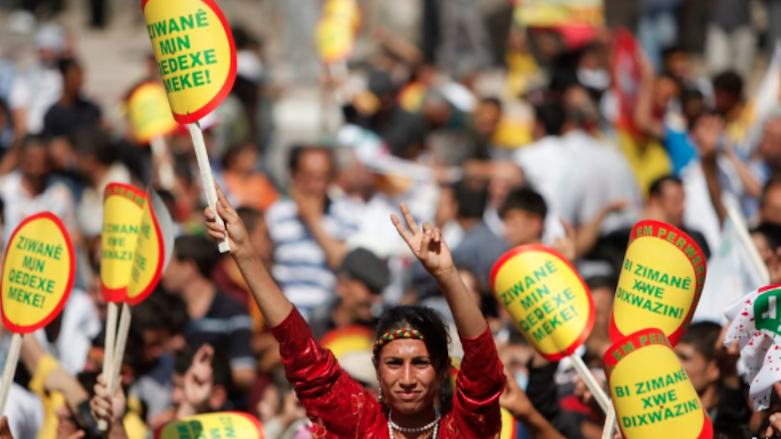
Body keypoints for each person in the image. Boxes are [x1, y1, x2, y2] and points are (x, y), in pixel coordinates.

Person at [204, 185, 509, 438]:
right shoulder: (360, 424)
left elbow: (483, 364)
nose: (406, 378)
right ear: (376, 369)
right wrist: (245, 254)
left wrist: (447, 275)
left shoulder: (463, 432)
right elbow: (300, 351)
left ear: (442, 370)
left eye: (420, 363)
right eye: (393, 363)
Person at [265, 146, 360, 319]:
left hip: (327, 318)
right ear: (293, 174)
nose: (315, 186)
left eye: (323, 178)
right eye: (308, 178)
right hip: (285, 317)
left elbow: (343, 262)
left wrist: (313, 220)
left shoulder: (346, 212)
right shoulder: (275, 215)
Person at [161, 235, 256, 394]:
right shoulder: (168, 311)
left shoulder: (232, 311)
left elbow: (245, 375)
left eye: (169, 264)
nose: (162, 272)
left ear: (188, 268)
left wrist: (203, 371)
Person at [309, 247, 391, 340]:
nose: (378, 299)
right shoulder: (314, 335)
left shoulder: (381, 334)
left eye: (379, 292)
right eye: (371, 289)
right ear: (342, 285)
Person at [42, 58, 101, 138]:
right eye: (73, 77)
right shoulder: (52, 115)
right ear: (63, 78)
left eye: (80, 76)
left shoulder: (92, 110)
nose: (78, 81)